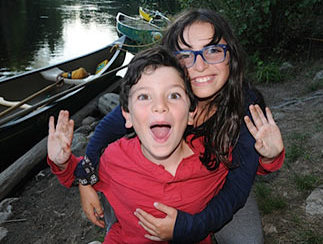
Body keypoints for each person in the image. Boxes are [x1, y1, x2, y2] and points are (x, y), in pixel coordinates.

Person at [73, 9, 285, 243]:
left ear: (231, 56)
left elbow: (236, 191)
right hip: (150, 184)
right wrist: (85, 179)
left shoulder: (247, 108)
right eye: (185, 55)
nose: (201, 65)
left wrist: (189, 226)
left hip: (218, 189)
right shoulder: (159, 91)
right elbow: (106, 130)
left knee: (249, 241)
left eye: (213, 50)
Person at [49, 46, 240, 243]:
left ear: (191, 114)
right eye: (144, 96)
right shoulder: (115, 159)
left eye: (173, 95)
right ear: (127, 116)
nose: (160, 106)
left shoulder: (214, 156)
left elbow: (251, 167)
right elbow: (79, 172)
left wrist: (270, 155)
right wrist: (62, 162)